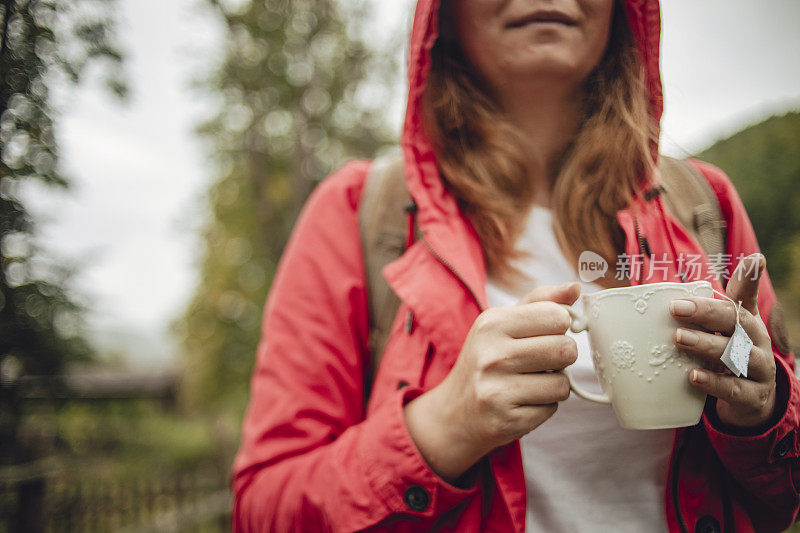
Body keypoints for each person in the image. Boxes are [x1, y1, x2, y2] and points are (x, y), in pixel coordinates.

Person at [231, 0, 800, 531]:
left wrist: (760, 417)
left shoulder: (707, 206)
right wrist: (444, 427)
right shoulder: (357, 213)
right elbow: (262, 506)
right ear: (444, 15)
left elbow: (782, 496)